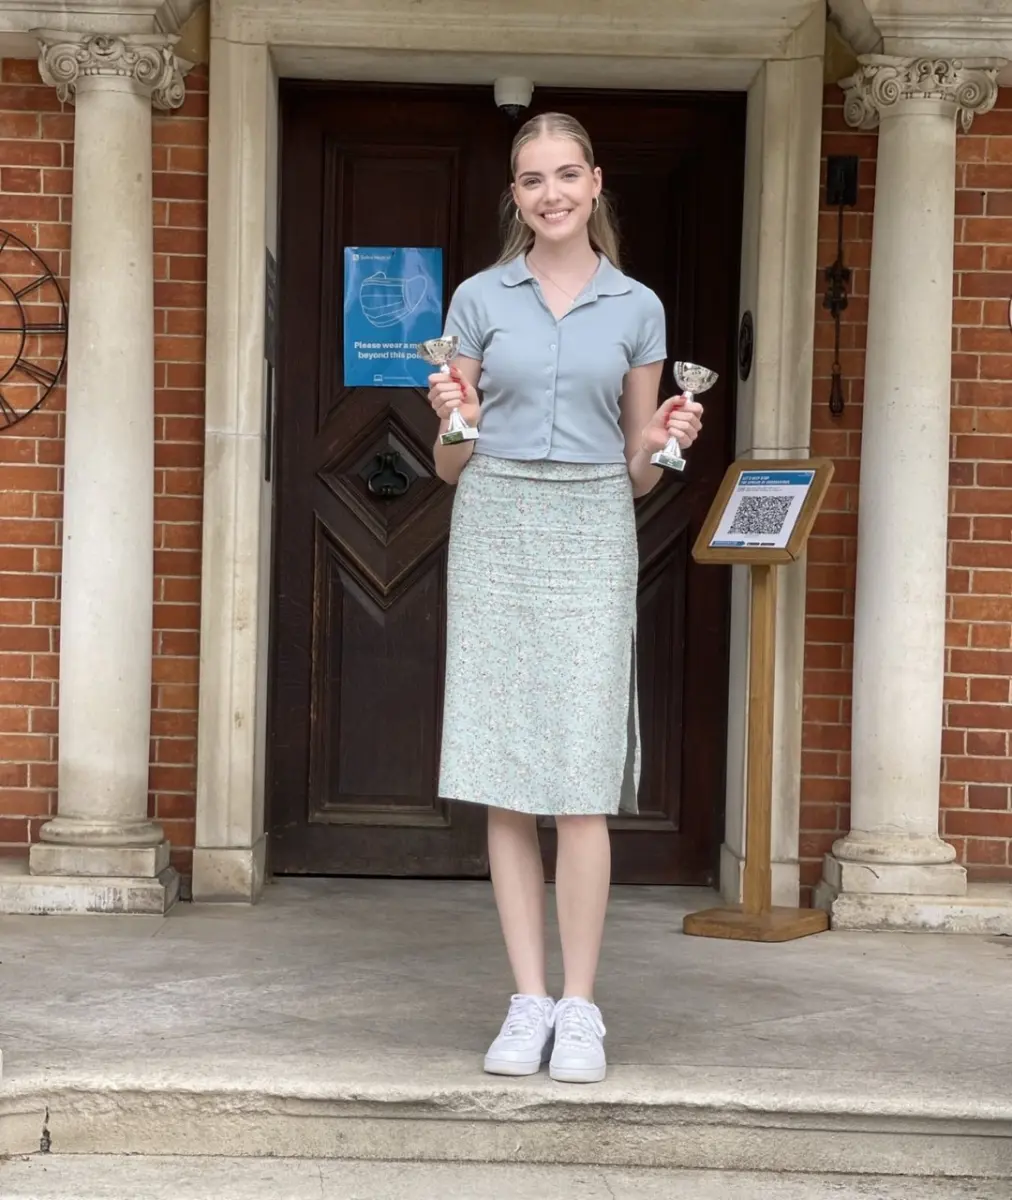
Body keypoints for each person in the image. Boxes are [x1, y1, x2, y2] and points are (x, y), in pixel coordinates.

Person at [426, 112, 704, 1085]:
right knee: (508, 770)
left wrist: (670, 435)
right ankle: (527, 1000)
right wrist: (453, 423)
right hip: (496, 513)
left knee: (580, 775)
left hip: (592, 522)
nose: (549, 193)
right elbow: (449, 466)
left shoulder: (638, 306)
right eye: (531, 179)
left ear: (594, 185)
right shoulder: (475, 300)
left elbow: (636, 472)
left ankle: (581, 1009)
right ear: (515, 195)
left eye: (566, 175)